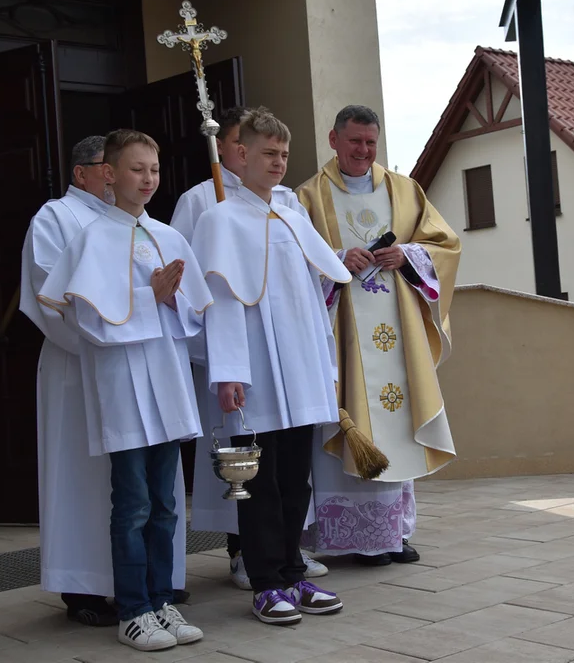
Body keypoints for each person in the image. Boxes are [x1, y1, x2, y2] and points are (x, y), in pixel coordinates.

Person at [36, 129, 211, 652]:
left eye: (154, 171)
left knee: (165, 503)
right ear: (108, 175)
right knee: (132, 503)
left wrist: (173, 299)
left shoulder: (169, 237)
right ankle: (132, 609)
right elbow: (83, 312)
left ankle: (162, 601)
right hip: (123, 386)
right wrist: (146, 293)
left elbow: (194, 315)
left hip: (167, 379)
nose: (148, 180)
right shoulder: (91, 237)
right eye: (137, 170)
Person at [190, 108, 349, 625]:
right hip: (254, 369)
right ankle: (265, 582)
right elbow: (221, 299)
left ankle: (293, 570)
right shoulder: (219, 218)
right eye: (268, 154)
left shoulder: (291, 212)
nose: (278, 163)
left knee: (297, 477)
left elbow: (313, 291)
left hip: (298, 366)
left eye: (284, 154)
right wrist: (228, 372)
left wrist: (324, 363)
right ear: (240, 155)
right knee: (260, 481)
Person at [296, 105, 460, 566]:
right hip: (342, 332)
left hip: (398, 331)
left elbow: (445, 245)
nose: (364, 151)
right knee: (352, 419)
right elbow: (290, 261)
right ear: (334, 140)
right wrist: (334, 262)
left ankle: (392, 535)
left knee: (398, 427)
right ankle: (355, 538)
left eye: (371, 142)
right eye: (354, 142)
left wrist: (406, 256)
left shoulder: (405, 191)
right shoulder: (307, 197)